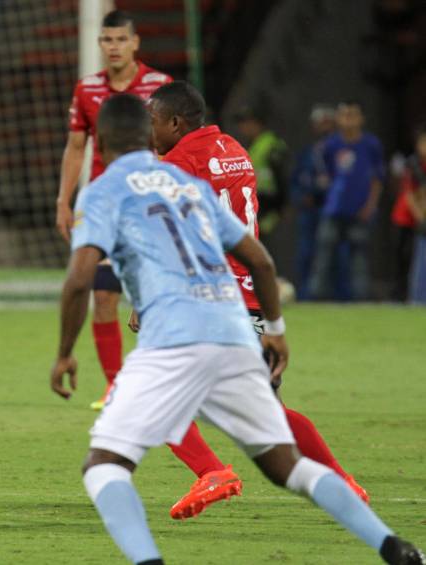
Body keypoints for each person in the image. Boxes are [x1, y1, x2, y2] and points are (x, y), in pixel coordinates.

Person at [49, 93, 423, 565]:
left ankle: (179, 518)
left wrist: (64, 351)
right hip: (232, 322)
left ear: (101, 139)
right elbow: (261, 260)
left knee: (104, 467)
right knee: (286, 463)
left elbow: (80, 278)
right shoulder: (203, 171)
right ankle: (394, 546)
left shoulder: (108, 188)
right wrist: (277, 328)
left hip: (175, 333)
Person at [147, 81, 369, 519]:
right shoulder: (233, 147)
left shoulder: (179, 164)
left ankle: (212, 472)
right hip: (250, 297)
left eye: (152, 122)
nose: (148, 130)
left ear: (175, 123)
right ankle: (342, 482)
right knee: (269, 410)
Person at [54, 10, 173, 411]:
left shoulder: (159, 86)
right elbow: (75, 148)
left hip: (148, 205)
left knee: (152, 297)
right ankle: (116, 385)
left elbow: (173, 146)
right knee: (102, 294)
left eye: (121, 40)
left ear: (135, 43)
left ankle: (165, 378)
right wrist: (64, 200)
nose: (114, 47)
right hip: (105, 207)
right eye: (107, 40)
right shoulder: (87, 90)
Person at [308, 101, 385, 300]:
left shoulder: (371, 145)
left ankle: (361, 301)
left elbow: (377, 178)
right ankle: (315, 300)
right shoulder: (330, 145)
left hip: (360, 210)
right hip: (333, 210)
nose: (348, 120)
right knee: (323, 257)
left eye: (353, 115)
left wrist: (371, 205)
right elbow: (325, 175)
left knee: (359, 260)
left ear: (361, 119)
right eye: (344, 115)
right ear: (338, 119)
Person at [290, 104, 336, 299]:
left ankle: (337, 297)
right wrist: (301, 197)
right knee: (306, 254)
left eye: (325, 122)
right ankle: (305, 296)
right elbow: (295, 179)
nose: (321, 127)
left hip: (329, 208)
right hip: (309, 211)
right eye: (318, 123)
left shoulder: (337, 149)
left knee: (332, 254)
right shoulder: (308, 151)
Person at [233, 105, 289, 244]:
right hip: (258, 205)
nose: (242, 127)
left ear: (256, 122)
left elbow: (282, 178)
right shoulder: (254, 144)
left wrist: (280, 208)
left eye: (245, 122)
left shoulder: (271, 144)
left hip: (270, 207)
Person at [391, 126, 426, 301]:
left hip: (422, 221)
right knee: (405, 259)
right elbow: (410, 194)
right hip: (406, 219)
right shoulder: (412, 164)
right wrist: (421, 217)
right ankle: (406, 298)